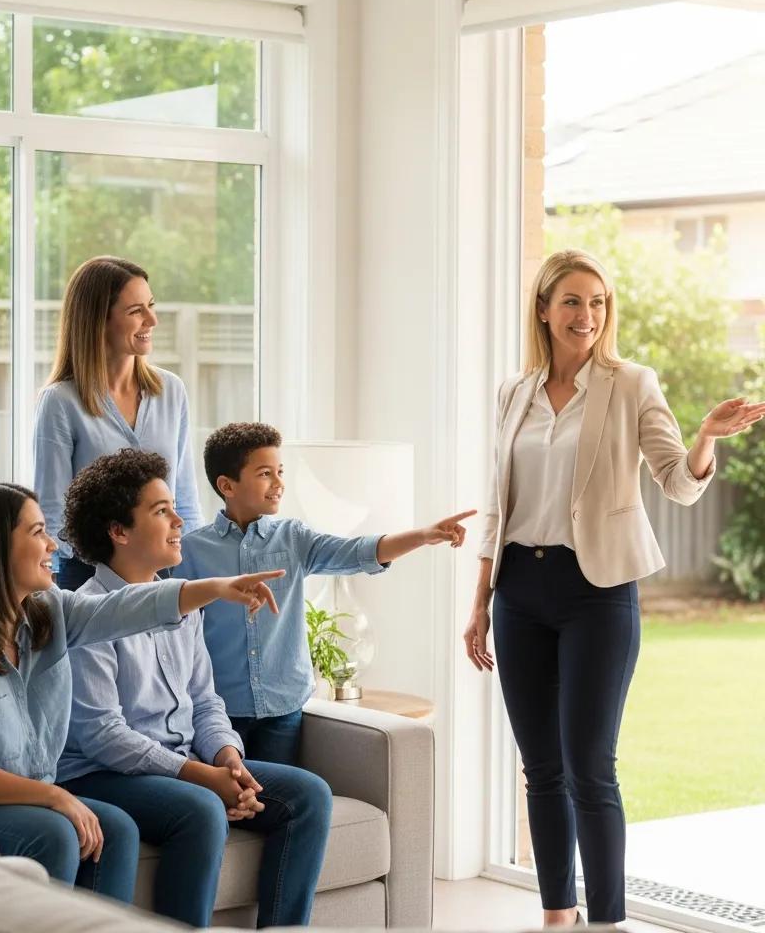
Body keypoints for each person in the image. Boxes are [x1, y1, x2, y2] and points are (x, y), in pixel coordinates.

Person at [463, 249, 765, 927]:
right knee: (540, 767)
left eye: (597, 303)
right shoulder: (515, 392)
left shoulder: (631, 384)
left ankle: (607, 920)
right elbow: (496, 502)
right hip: (519, 590)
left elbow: (677, 482)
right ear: (544, 309)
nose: (587, 316)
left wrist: (706, 439)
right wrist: (480, 601)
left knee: (590, 767)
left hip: (597, 590)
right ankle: (556, 913)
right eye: (572, 301)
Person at [0, 481, 281, 900]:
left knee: (114, 830)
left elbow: (122, 607)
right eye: (37, 532)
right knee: (58, 833)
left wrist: (218, 587)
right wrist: (57, 796)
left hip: (0, 802)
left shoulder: (47, 613)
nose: (53, 546)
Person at [56, 449, 329, 928]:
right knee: (202, 809)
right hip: (101, 773)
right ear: (118, 532)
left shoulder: (184, 604)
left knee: (308, 795)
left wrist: (228, 760)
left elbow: (205, 701)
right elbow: (102, 736)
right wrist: (202, 778)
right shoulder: (86, 613)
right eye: (161, 511)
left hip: (180, 760)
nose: (180, 520)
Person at [174, 421, 475, 766]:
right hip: (218, 711)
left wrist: (423, 536)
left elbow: (357, 552)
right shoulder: (190, 552)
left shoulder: (293, 537)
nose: (279, 484)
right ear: (227, 485)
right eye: (265, 474)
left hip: (282, 710)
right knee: (230, 804)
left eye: (280, 471)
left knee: (273, 803)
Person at [34, 256, 202, 591]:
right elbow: (51, 511)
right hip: (87, 578)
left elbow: (184, 497)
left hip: (162, 577)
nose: (152, 319)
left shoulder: (171, 391)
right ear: (100, 320)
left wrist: (195, 579)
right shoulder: (61, 402)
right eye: (136, 310)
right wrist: (48, 594)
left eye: (151, 305)